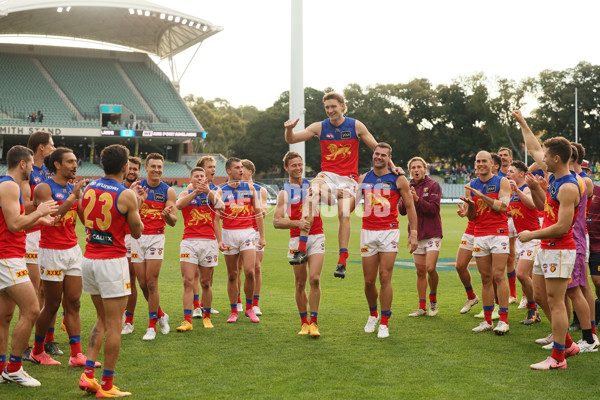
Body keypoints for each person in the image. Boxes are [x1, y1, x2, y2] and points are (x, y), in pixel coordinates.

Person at [284, 91, 402, 279]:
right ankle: (300, 249)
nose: (330, 110)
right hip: (328, 175)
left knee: (343, 213)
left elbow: (378, 149)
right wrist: (289, 129)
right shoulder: (320, 127)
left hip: (348, 178)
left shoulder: (355, 126)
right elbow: (292, 139)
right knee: (312, 192)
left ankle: (342, 260)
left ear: (343, 106)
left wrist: (394, 168)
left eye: (333, 107)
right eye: (327, 108)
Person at [513, 110, 582, 369]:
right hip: (547, 247)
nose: (540, 158)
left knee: (556, 302)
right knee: (541, 295)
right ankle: (569, 344)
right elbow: (545, 209)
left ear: (555, 158)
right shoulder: (553, 178)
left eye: (545, 155)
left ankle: (558, 358)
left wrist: (532, 234)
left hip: (560, 248)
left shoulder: (568, 186)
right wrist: (522, 122)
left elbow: (562, 226)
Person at [78, 144, 144, 396]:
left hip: (90, 259)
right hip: (112, 261)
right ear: (126, 167)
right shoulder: (125, 194)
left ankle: (88, 375)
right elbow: (137, 232)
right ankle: (106, 386)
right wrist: (136, 203)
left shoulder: (90, 187)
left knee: (102, 319)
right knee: (115, 324)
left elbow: (84, 217)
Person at [29, 148, 95, 367]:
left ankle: (76, 355)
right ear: (57, 164)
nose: (75, 165)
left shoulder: (71, 187)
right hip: (51, 252)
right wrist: (74, 196)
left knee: (74, 303)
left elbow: (85, 219)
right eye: (70, 161)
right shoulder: (43, 188)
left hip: (73, 250)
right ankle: (37, 351)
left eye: (76, 161)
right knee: (52, 304)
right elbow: (53, 217)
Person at [0, 145, 57, 387]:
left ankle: (3, 367)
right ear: (22, 164)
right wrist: (40, 211)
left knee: (5, 316)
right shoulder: (10, 185)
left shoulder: (6, 185)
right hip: (7, 258)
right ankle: (14, 368)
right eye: (32, 164)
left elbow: (14, 223)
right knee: (32, 309)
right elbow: (14, 224)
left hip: (7, 255)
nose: (33, 169)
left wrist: (39, 219)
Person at [359, 143, 418, 338]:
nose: (379, 157)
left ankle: (384, 321)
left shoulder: (399, 179)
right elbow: (350, 205)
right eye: (376, 154)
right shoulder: (363, 179)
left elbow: (410, 207)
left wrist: (414, 233)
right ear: (373, 155)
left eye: (383, 155)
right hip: (367, 232)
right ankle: (373, 314)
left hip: (389, 232)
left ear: (389, 158)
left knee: (385, 276)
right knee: (369, 281)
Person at [273, 151, 325, 337]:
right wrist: (296, 223)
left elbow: (331, 199)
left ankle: (314, 322)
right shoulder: (284, 192)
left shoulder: (314, 185)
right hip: (296, 238)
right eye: (294, 165)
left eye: (300, 164)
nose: (298, 168)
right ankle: (304, 323)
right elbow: (277, 221)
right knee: (300, 283)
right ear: (286, 168)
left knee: (315, 279)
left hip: (317, 235)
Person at [461, 151, 511, 335]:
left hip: (498, 233)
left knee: (499, 276)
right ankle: (487, 320)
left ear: (492, 164)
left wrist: (481, 195)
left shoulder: (501, 181)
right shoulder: (470, 186)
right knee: (485, 278)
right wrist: (469, 208)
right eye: (478, 161)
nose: (480, 164)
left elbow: (503, 207)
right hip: (479, 234)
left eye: (484, 161)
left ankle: (504, 320)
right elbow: (472, 217)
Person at [20, 131, 60, 358]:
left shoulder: (49, 172)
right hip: (32, 235)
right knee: (33, 290)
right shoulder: (27, 171)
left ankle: (47, 340)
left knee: (49, 290)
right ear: (41, 148)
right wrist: (40, 210)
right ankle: (26, 345)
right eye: (51, 145)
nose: (54, 148)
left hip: (48, 234)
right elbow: (24, 206)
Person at [131, 153, 177, 341]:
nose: (157, 170)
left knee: (151, 282)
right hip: (137, 237)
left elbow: (173, 221)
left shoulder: (168, 191)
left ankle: (152, 326)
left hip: (156, 237)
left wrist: (166, 215)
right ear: (146, 168)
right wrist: (138, 199)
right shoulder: (136, 188)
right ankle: (160, 314)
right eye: (153, 166)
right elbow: (129, 212)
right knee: (142, 283)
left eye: (160, 166)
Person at [216, 157, 265, 323]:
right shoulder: (221, 191)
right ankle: (234, 310)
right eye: (237, 168)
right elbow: (216, 219)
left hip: (248, 233)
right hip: (229, 234)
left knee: (250, 271)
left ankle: (250, 308)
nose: (241, 170)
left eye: (242, 168)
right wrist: (219, 240)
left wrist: (263, 237)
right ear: (229, 171)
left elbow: (258, 213)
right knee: (232, 275)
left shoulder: (250, 188)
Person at [175, 167, 223, 331]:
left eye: (202, 176)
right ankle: (187, 320)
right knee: (188, 281)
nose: (200, 179)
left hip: (209, 242)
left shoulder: (213, 194)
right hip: (189, 241)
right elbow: (179, 205)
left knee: (205, 282)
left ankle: (207, 317)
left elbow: (221, 206)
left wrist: (208, 191)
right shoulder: (185, 194)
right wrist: (195, 192)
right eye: (196, 177)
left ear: (206, 179)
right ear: (191, 179)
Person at [400, 156, 442, 317]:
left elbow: (433, 210)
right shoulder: (407, 186)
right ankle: (422, 306)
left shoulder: (433, 185)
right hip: (416, 234)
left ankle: (433, 301)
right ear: (409, 171)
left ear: (425, 169)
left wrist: (417, 199)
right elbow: (402, 211)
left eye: (419, 167)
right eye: (413, 168)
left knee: (430, 268)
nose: (416, 170)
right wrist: (407, 199)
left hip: (432, 234)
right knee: (420, 271)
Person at [506, 160, 542, 325]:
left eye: (511, 171)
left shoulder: (526, 189)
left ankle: (533, 308)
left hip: (533, 238)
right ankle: (535, 309)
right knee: (528, 276)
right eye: (507, 171)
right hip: (522, 239)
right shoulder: (513, 191)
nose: (508, 173)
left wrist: (517, 191)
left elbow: (532, 205)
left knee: (521, 274)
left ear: (521, 174)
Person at [191, 156, 221, 317]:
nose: (213, 170)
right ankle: (196, 306)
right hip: (195, 236)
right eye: (209, 167)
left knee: (209, 274)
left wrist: (219, 239)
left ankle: (205, 304)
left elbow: (219, 215)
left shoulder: (215, 189)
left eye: (214, 167)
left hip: (211, 237)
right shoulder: (191, 188)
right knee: (195, 272)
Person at [239, 159, 268, 316]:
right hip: (238, 230)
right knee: (236, 269)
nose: (240, 172)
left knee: (256, 267)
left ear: (250, 172)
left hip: (254, 231)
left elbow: (263, 208)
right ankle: (237, 301)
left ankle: (255, 303)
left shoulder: (259, 189)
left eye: (242, 169)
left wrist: (261, 211)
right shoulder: (233, 188)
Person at [121, 157, 142, 335]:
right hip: (115, 238)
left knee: (130, 280)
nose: (132, 172)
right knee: (117, 279)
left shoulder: (142, 189)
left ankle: (129, 320)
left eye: (135, 169)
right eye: (129, 168)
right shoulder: (117, 188)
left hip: (132, 238)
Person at [498, 147, 518, 304]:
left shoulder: (516, 173)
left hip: (518, 218)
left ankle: (524, 295)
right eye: (500, 155)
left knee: (521, 256)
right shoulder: (496, 176)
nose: (503, 157)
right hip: (503, 219)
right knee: (509, 257)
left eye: (505, 155)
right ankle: (512, 294)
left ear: (510, 157)